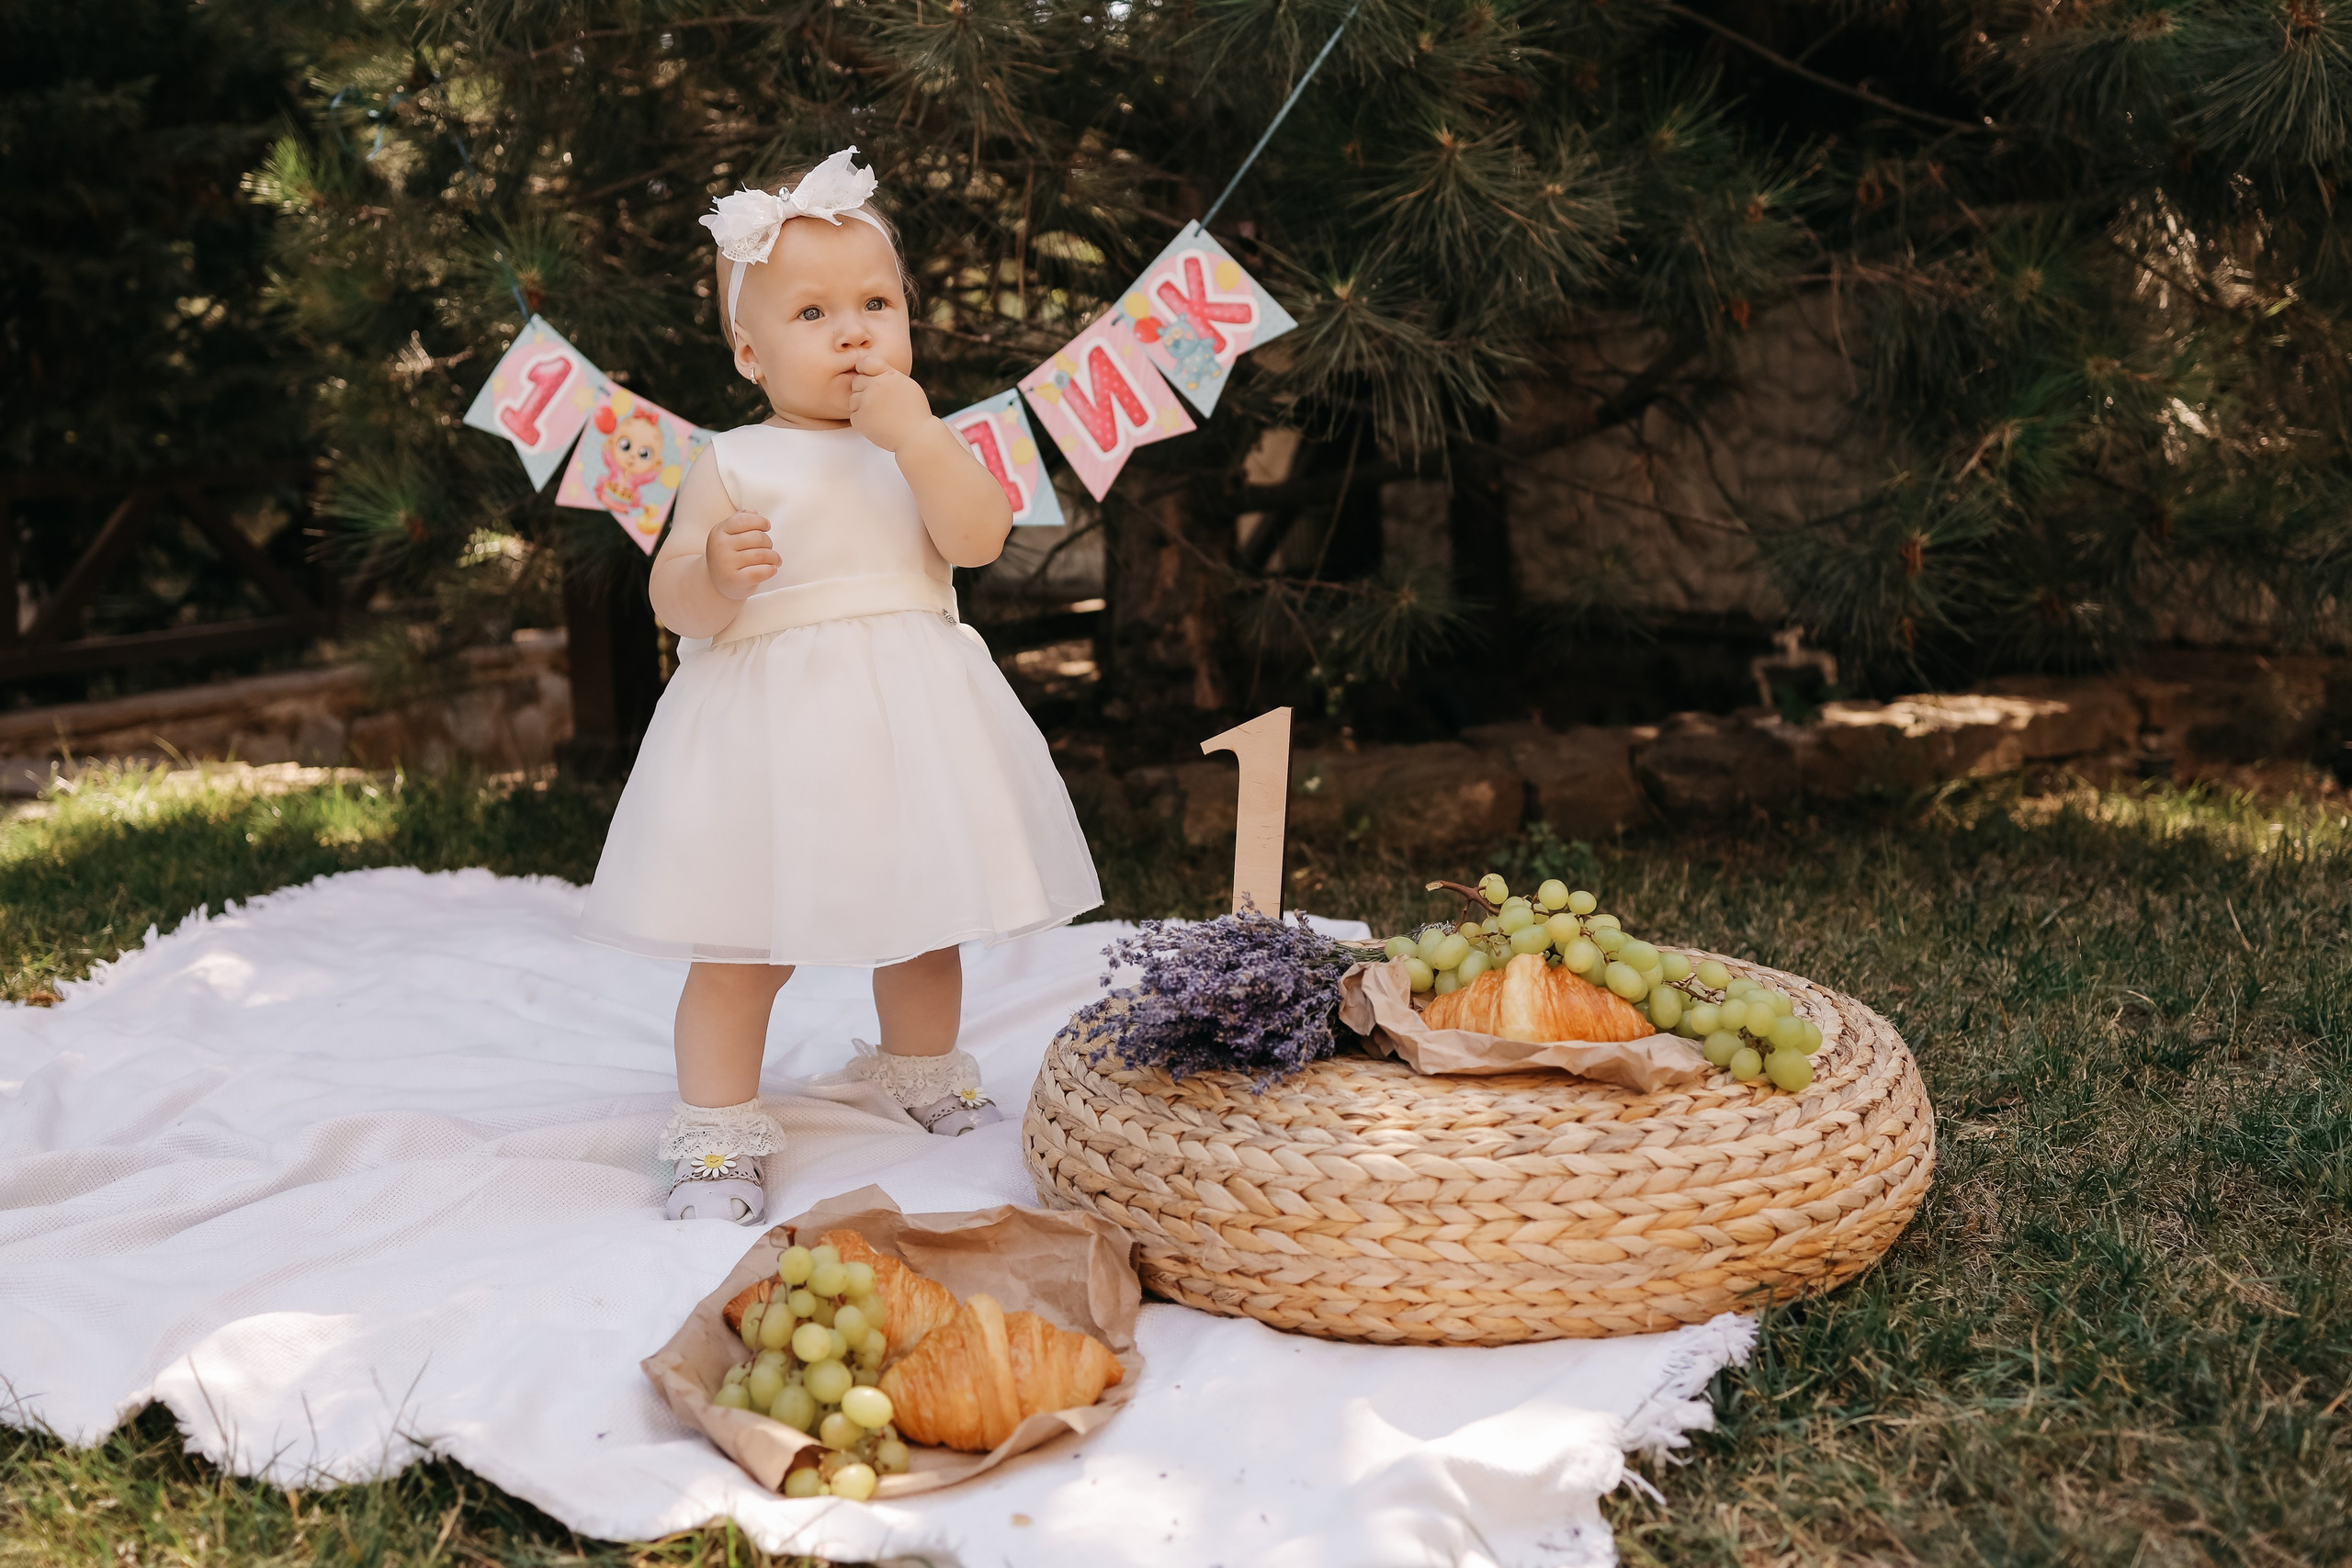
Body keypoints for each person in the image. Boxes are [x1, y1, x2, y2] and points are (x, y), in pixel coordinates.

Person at [579, 148, 1101, 1224]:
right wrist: (713, 573)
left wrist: (913, 436)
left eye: (876, 303)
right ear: (750, 353)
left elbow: (977, 536)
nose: (855, 330)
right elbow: (668, 595)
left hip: (907, 729)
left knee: (925, 922)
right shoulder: (733, 460)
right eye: (812, 314)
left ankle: (921, 1070)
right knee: (739, 946)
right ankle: (717, 1134)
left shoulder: (920, 445)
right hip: (767, 743)